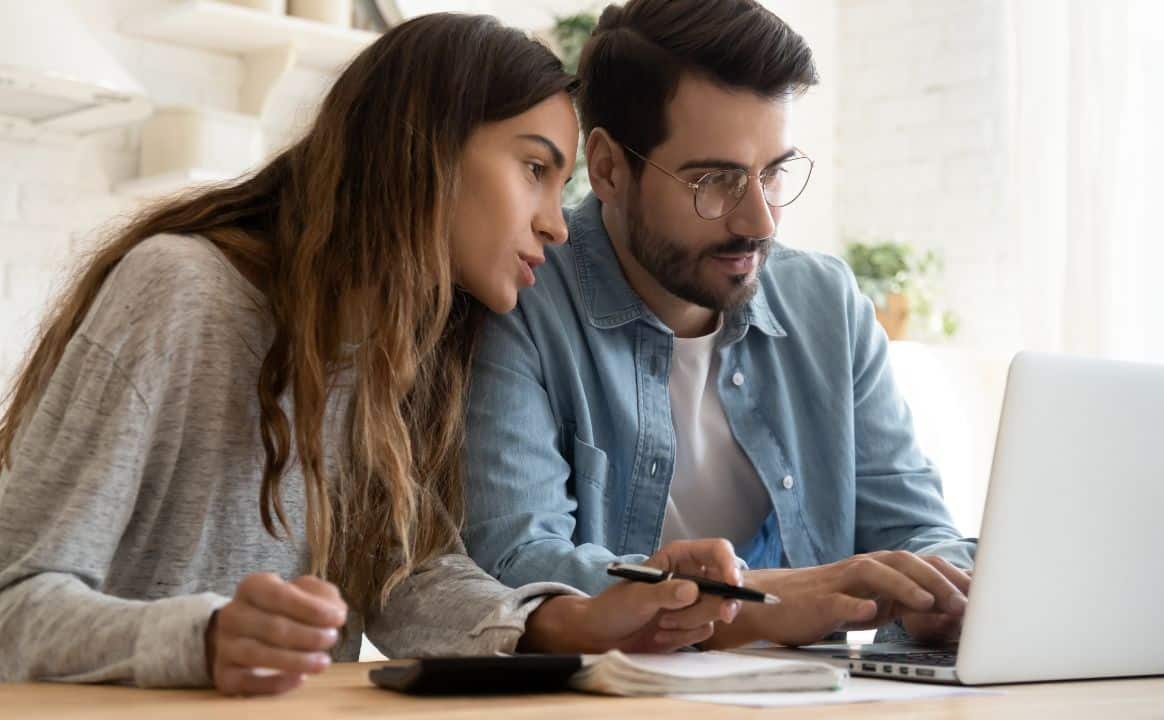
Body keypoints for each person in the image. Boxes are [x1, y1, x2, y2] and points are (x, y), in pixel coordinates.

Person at [0, 13, 741, 696]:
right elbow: (13, 603)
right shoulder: (180, 291)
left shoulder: (412, 345)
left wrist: (570, 620)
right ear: (426, 149)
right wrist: (205, 636)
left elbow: (403, 577)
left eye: (563, 184)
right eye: (534, 169)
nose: (555, 223)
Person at [464, 0, 976, 650]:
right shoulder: (521, 299)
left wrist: (943, 593)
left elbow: (914, 526)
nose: (760, 222)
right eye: (715, 181)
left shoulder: (827, 304)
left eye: (774, 174)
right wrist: (756, 606)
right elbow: (513, 564)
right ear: (609, 167)